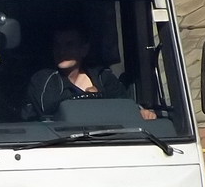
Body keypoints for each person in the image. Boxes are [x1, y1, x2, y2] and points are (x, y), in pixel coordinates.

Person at [24, 24, 156, 120]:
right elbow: (49, 111)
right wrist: (91, 101)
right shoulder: (44, 79)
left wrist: (141, 112)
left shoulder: (103, 77)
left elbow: (124, 103)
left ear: (84, 49)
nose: (61, 51)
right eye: (57, 45)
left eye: (69, 45)